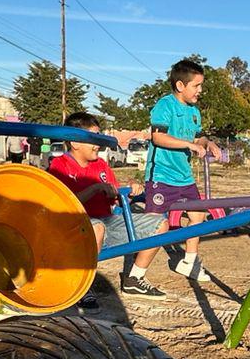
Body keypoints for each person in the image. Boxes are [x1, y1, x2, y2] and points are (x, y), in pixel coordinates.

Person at [48, 112, 168, 300]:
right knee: (96, 227)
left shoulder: (101, 165)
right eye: (93, 138)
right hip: (74, 228)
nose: (98, 144)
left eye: (99, 137)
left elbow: (116, 199)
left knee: (160, 223)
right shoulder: (59, 165)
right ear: (75, 142)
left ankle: (135, 278)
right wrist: (95, 188)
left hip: (107, 223)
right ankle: (81, 286)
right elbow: (64, 203)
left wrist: (129, 192)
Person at [145, 58, 221, 283]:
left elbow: (198, 137)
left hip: (184, 177)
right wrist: (189, 145)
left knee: (198, 215)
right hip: (162, 175)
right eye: (196, 85)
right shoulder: (165, 105)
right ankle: (136, 275)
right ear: (180, 85)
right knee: (154, 226)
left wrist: (209, 143)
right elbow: (158, 137)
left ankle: (189, 262)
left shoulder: (194, 111)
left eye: (201, 85)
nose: (200, 90)